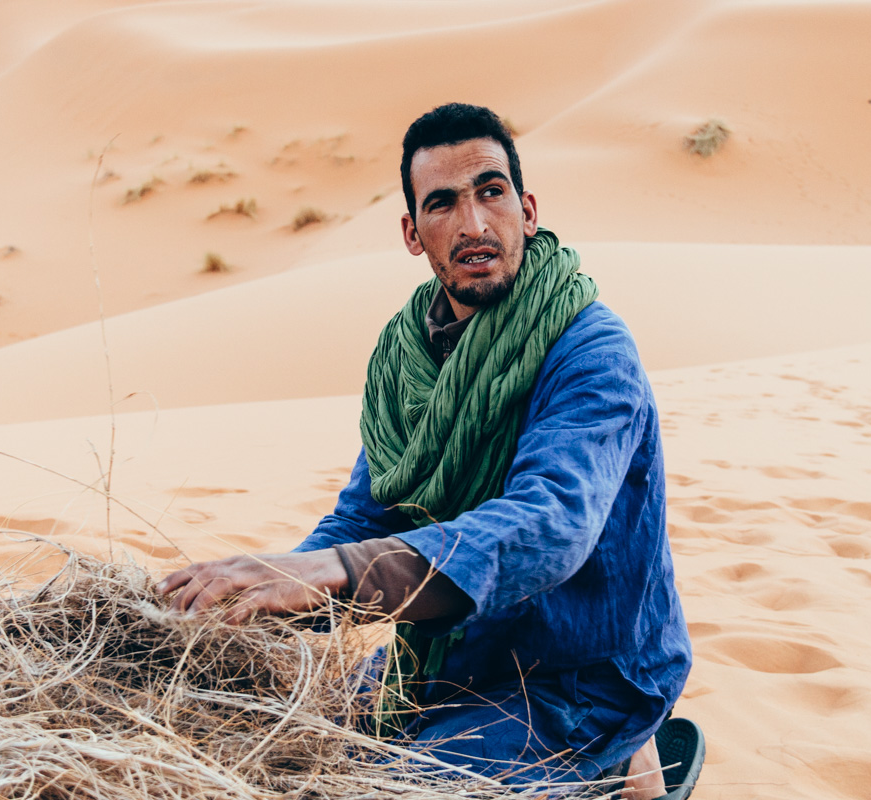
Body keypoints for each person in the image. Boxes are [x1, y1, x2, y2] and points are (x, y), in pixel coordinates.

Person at [156, 103, 698, 797]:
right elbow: (367, 518)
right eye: (443, 204)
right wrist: (260, 591)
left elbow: (553, 523)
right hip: (454, 656)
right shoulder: (408, 364)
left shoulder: (591, 351)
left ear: (527, 210)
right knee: (280, 748)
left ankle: (619, 760)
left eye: (490, 192)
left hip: (582, 670)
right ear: (414, 234)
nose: (473, 225)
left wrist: (338, 571)